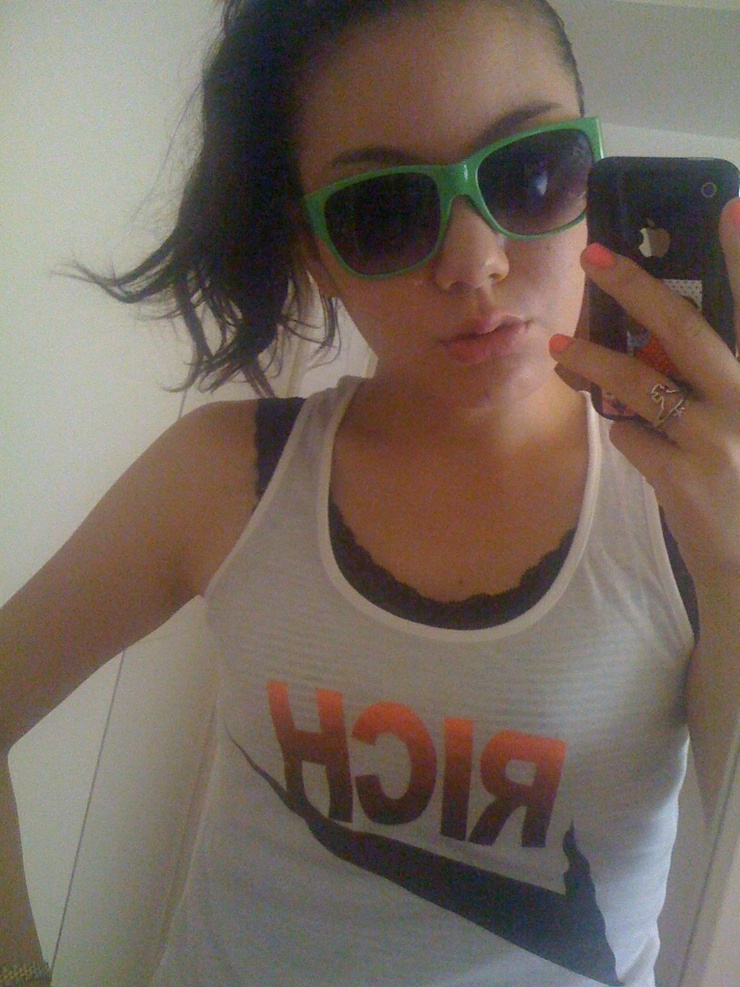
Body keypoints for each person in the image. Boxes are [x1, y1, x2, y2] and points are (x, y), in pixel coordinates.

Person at [1, 0, 739, 984]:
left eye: (531, 172)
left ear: (591, 179)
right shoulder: (222, 475)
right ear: (316, 252)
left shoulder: (692, 508)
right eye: (384, 211)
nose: (474, 262)